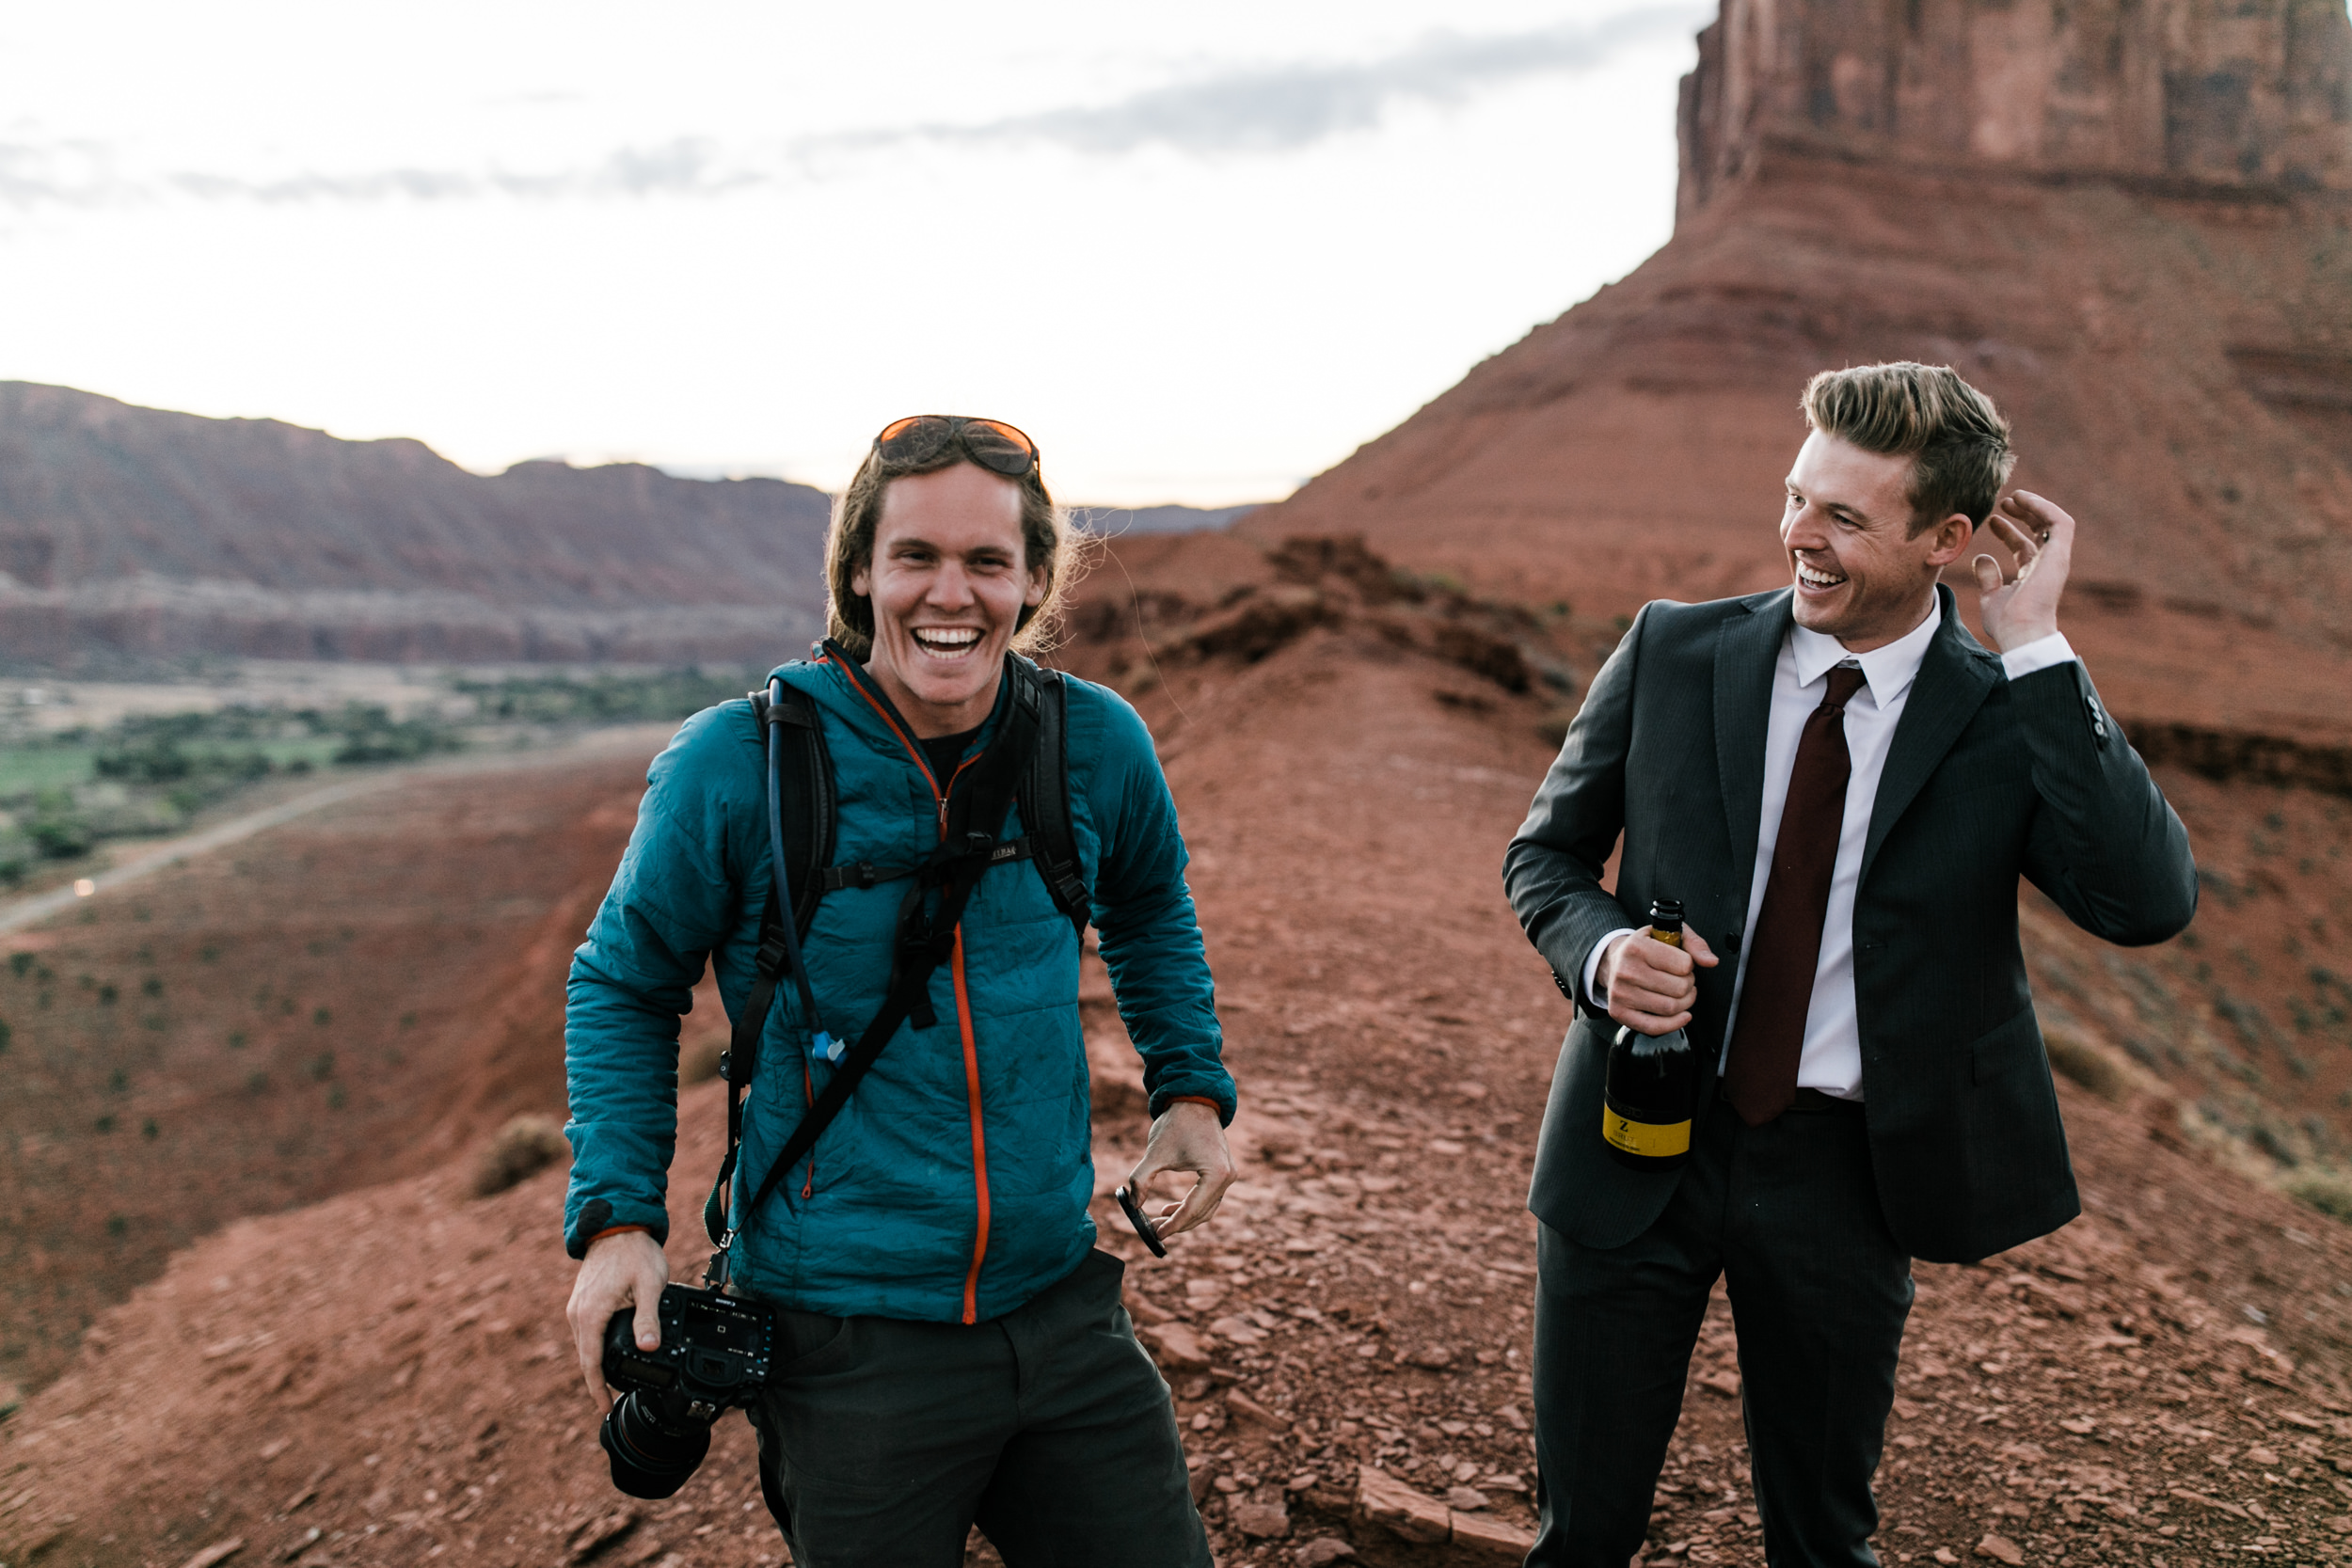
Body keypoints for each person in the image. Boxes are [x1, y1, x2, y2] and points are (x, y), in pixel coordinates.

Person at [1503, 363, 2197, 1566]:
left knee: (1822, 1541)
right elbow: (1543, 856)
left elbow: (2144, 903)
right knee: (1584, 1532)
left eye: (1842, 517)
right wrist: (1602, 951)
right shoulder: (1673, 650)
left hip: (1845, 1178)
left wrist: (2033, 642)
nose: (1797, 536)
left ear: (1948, 539)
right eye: (1794, 495)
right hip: (1634, 1134)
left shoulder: (2001, 712)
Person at [561, 414, 1236, 1568]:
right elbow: (624, 981)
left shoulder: (1094, 741)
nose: (951, 593)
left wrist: (1190, 1086)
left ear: (1032, 580)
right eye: (915, 555)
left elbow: (1147, 903)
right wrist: (621, 1218)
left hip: (1060, 1306)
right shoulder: (738, 766)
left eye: (987, 561)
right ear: (860, 570)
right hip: (845, 1337)